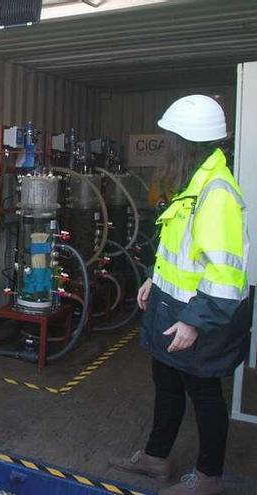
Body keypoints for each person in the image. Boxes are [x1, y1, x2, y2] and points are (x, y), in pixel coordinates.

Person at [109, 95, 250, 495]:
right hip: (171, 305)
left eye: (170, 139)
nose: (165, 147)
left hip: (200, 315)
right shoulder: (194, 183)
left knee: (205, 394)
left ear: (187, 142)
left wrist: (193, 320)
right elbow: (181, 250)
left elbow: (225, 273)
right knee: (167, 382)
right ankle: (157, 458)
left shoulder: (217, 192)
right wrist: (154, 279)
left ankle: (209, 478)